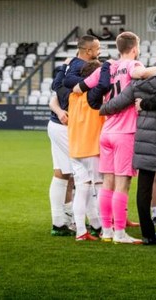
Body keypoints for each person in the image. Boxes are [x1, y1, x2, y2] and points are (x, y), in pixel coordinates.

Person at [72, 31, 156, 244]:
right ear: (135, 48)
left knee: (107, 183)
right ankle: (120, 233)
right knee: (122, 184)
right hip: (124, 132)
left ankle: (107, 231)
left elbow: (77, 88)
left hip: (106, 131)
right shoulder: (132, 65)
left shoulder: (105, 67)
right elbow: (142, 74)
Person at [99, 44, 156, 246]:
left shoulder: (138, 83)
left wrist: (104, 107)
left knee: (143, 189)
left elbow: (112, 105)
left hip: (142, 142)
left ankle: (148, 235)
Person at [49, 35, 103, 239]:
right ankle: (95, 223)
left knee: (62, 174)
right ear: (89, 51)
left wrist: (62, 68)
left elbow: (56, 87)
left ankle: (60, 221)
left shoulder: (69, 65)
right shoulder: (84, 68)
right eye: (97, 48)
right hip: (69, 127)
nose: (99, 51)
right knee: (85, 179)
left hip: (55, 123)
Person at [65, 59, 107, 241]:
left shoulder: (72, 96)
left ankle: (82, 230)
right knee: (99, 188)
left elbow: (58, 85)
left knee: (82, 190)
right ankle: (106, 228)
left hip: (75, 148)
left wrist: (65, 67)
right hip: (93, 148)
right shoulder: (96, 96)